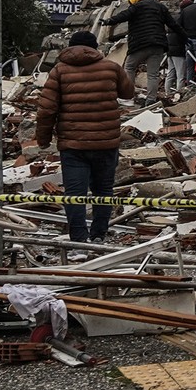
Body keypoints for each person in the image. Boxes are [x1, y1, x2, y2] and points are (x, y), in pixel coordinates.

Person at [34, 30, 135, 243]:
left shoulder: (59, 70)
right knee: (103, 190)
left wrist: (43, 140)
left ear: (70, 47)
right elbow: (128, 93)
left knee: (75, 193)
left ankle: (79, 238)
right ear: (95, 48)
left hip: (73, 145)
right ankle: (99, 235)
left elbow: (46, 110)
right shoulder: (111, 67)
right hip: (105, 143)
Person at [117, 0, 176, 102]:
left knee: (129, 67)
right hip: (158, 46)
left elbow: (123, 16)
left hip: (140, 44)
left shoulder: (136, 7)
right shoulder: (160, 7)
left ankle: (128, 98)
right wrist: (185, 37)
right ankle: (151, 99)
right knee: (153, 74)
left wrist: (109, 21)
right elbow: (173, 24)